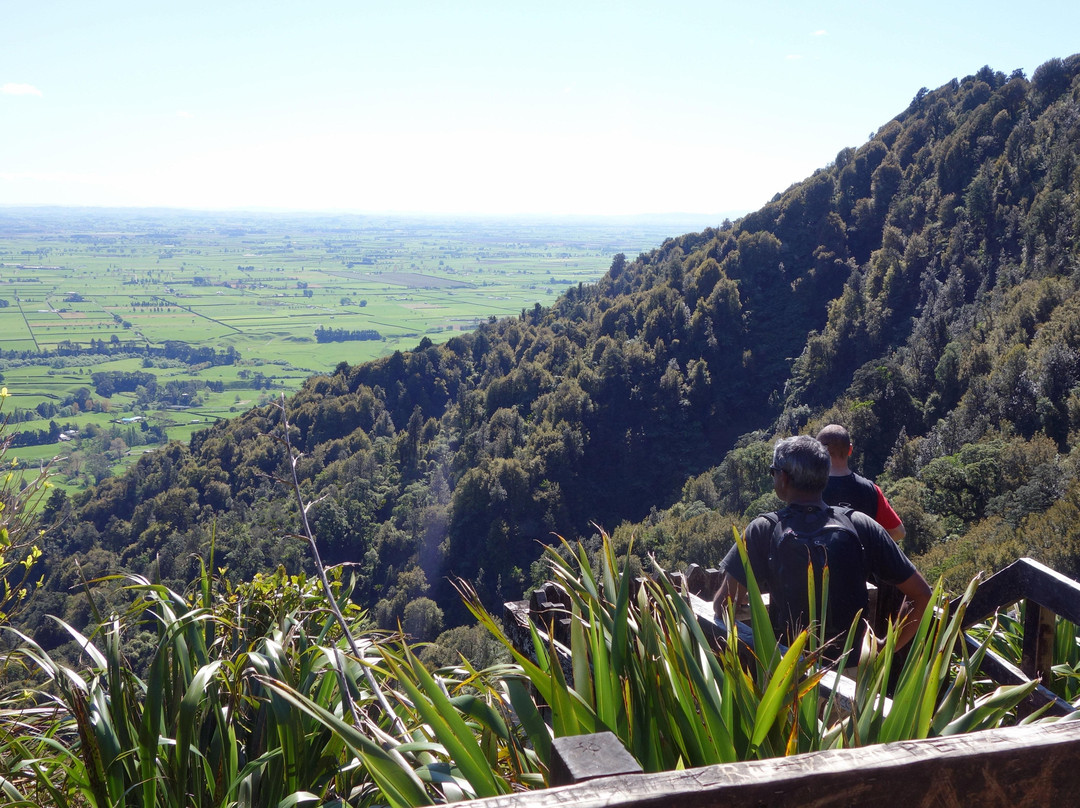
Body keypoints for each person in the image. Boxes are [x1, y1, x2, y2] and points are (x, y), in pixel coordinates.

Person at [712, 435, 931, 662]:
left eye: (773, 472)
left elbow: (723, 606)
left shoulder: (763, 529)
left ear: (783, 478)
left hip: (789, 673)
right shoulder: (860, 524)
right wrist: (884, 650)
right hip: (851, 673)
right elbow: (922, 594)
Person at [816, 424, 906, 543]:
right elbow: (898, 532)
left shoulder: (809, 489)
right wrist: (872, 548)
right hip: (863, 560)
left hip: (821, 561)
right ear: (850, 450)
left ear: (818, 453)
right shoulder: (871, 490)